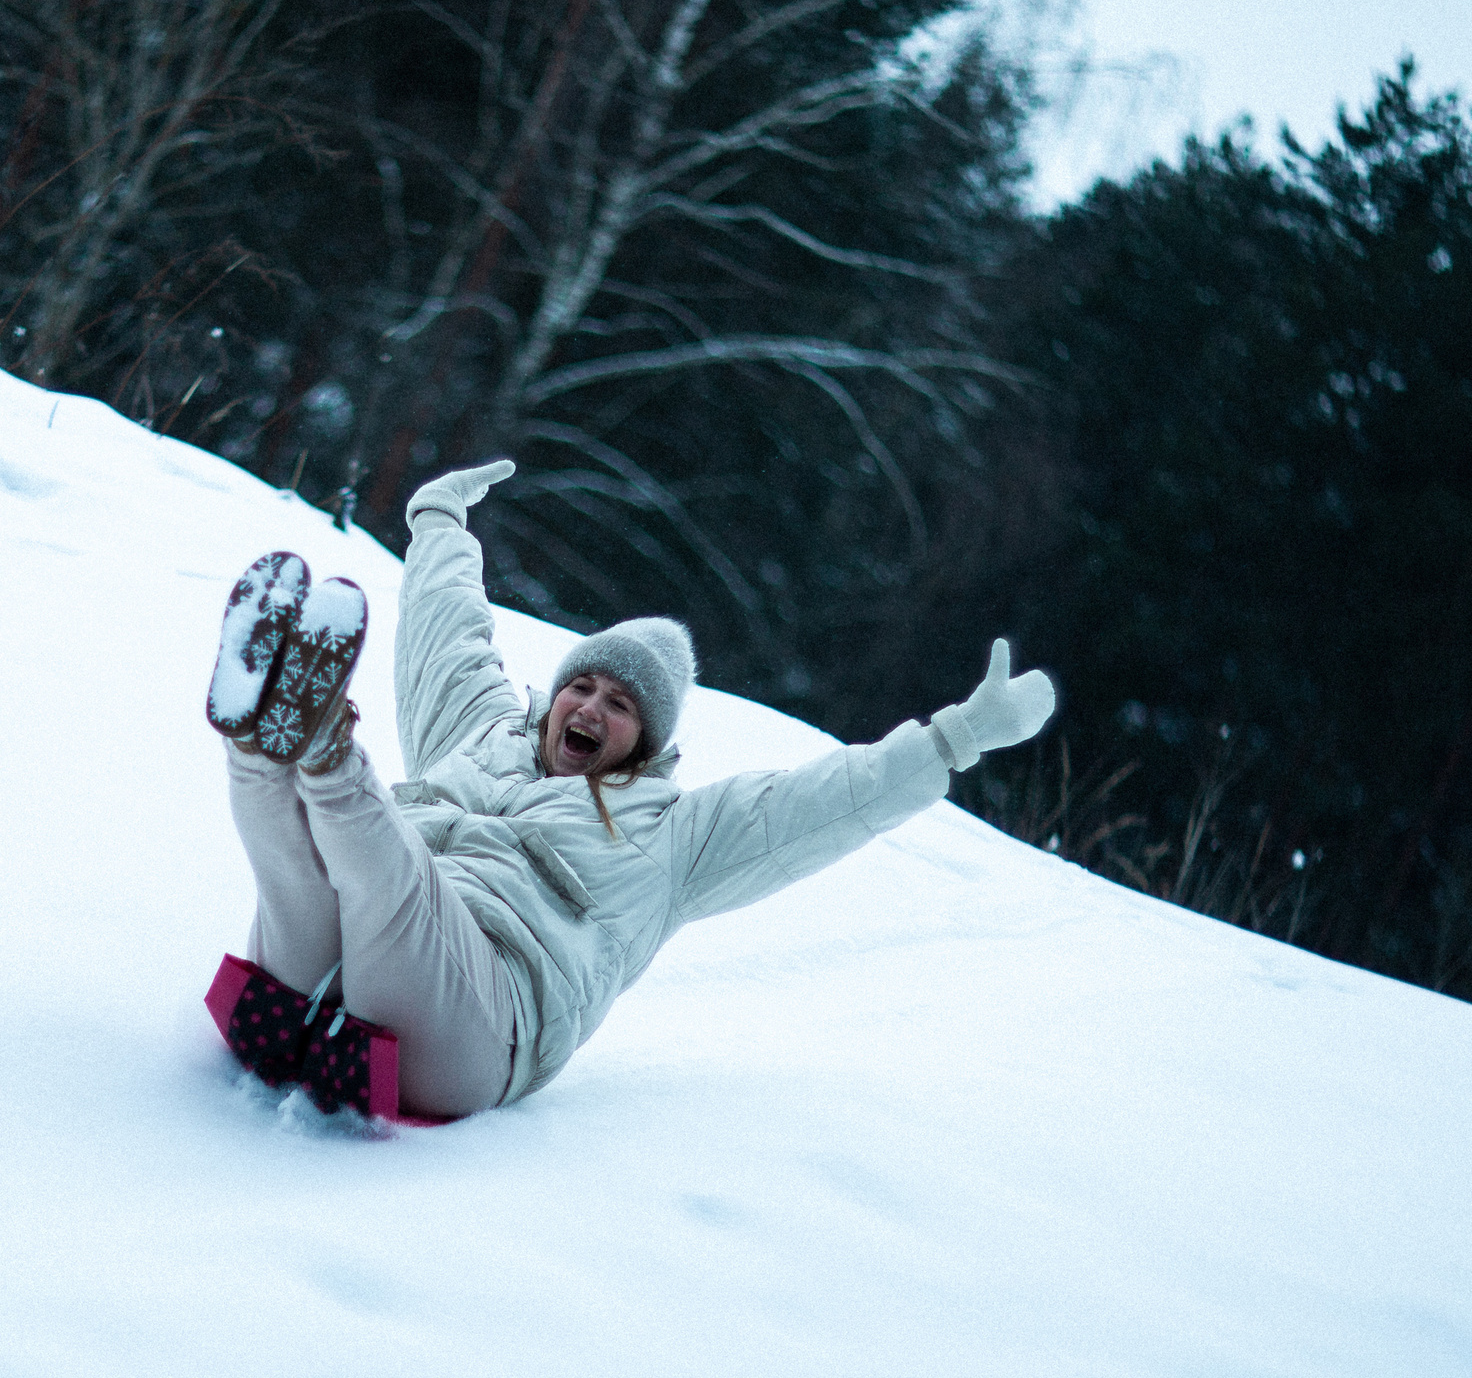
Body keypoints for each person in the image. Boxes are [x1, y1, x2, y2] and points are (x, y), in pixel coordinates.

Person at [208, 459, 1056, 1119]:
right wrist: (439, 520)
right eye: (582, 686)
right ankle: (260, 737)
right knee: (294, 865)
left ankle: (323, 741)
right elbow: (446, 626)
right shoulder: (481, 726)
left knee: (388, 870)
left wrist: (955, 738)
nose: (590, 707)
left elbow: (828, 801)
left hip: (477, 1025)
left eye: (620, 704)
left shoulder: (674, 837)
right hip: (322, 980)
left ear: (645, 741)